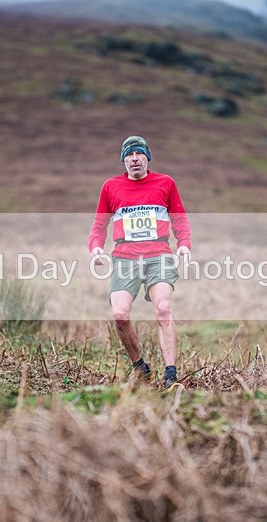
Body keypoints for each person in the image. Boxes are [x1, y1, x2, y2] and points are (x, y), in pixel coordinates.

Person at [89, 135, 192, 389]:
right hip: (125, 257)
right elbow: (99, 224)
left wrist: (184, 244)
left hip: (159, 254)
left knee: (163, 308)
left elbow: (179, 218)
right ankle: (140, 367)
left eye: (139, 154)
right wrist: (96, 248)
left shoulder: (165, 183)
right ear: (124, 160)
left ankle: (171, 375)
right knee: (120, 315)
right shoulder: (110, 187)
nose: (134, 159)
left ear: (147, 158)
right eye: (129, 155)